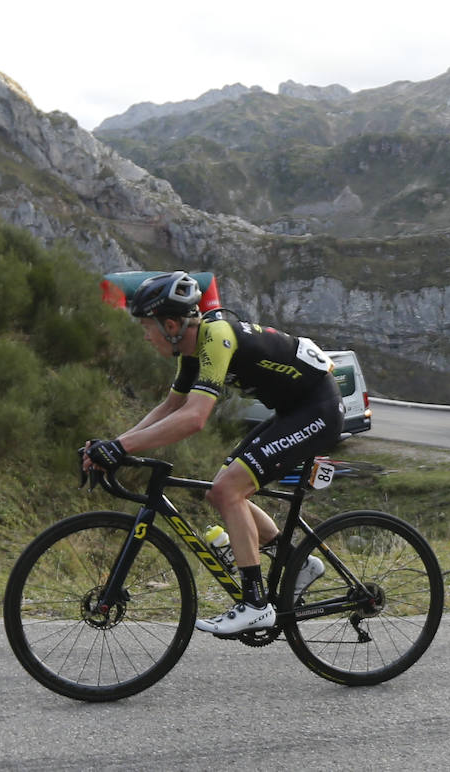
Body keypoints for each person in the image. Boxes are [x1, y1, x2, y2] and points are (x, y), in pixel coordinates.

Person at [81, 271, 343, 634]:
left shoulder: (216, 336)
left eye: (146, 326)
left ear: (170, 323)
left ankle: (255, 604)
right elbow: (171, 407)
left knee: (227, 490)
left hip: (319, 409)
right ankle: (300, 565)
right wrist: (113, 445)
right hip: (294, 409)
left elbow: (194, 418)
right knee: (217, 491)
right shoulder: (191, 350)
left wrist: (120, 447)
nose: (144, 334)